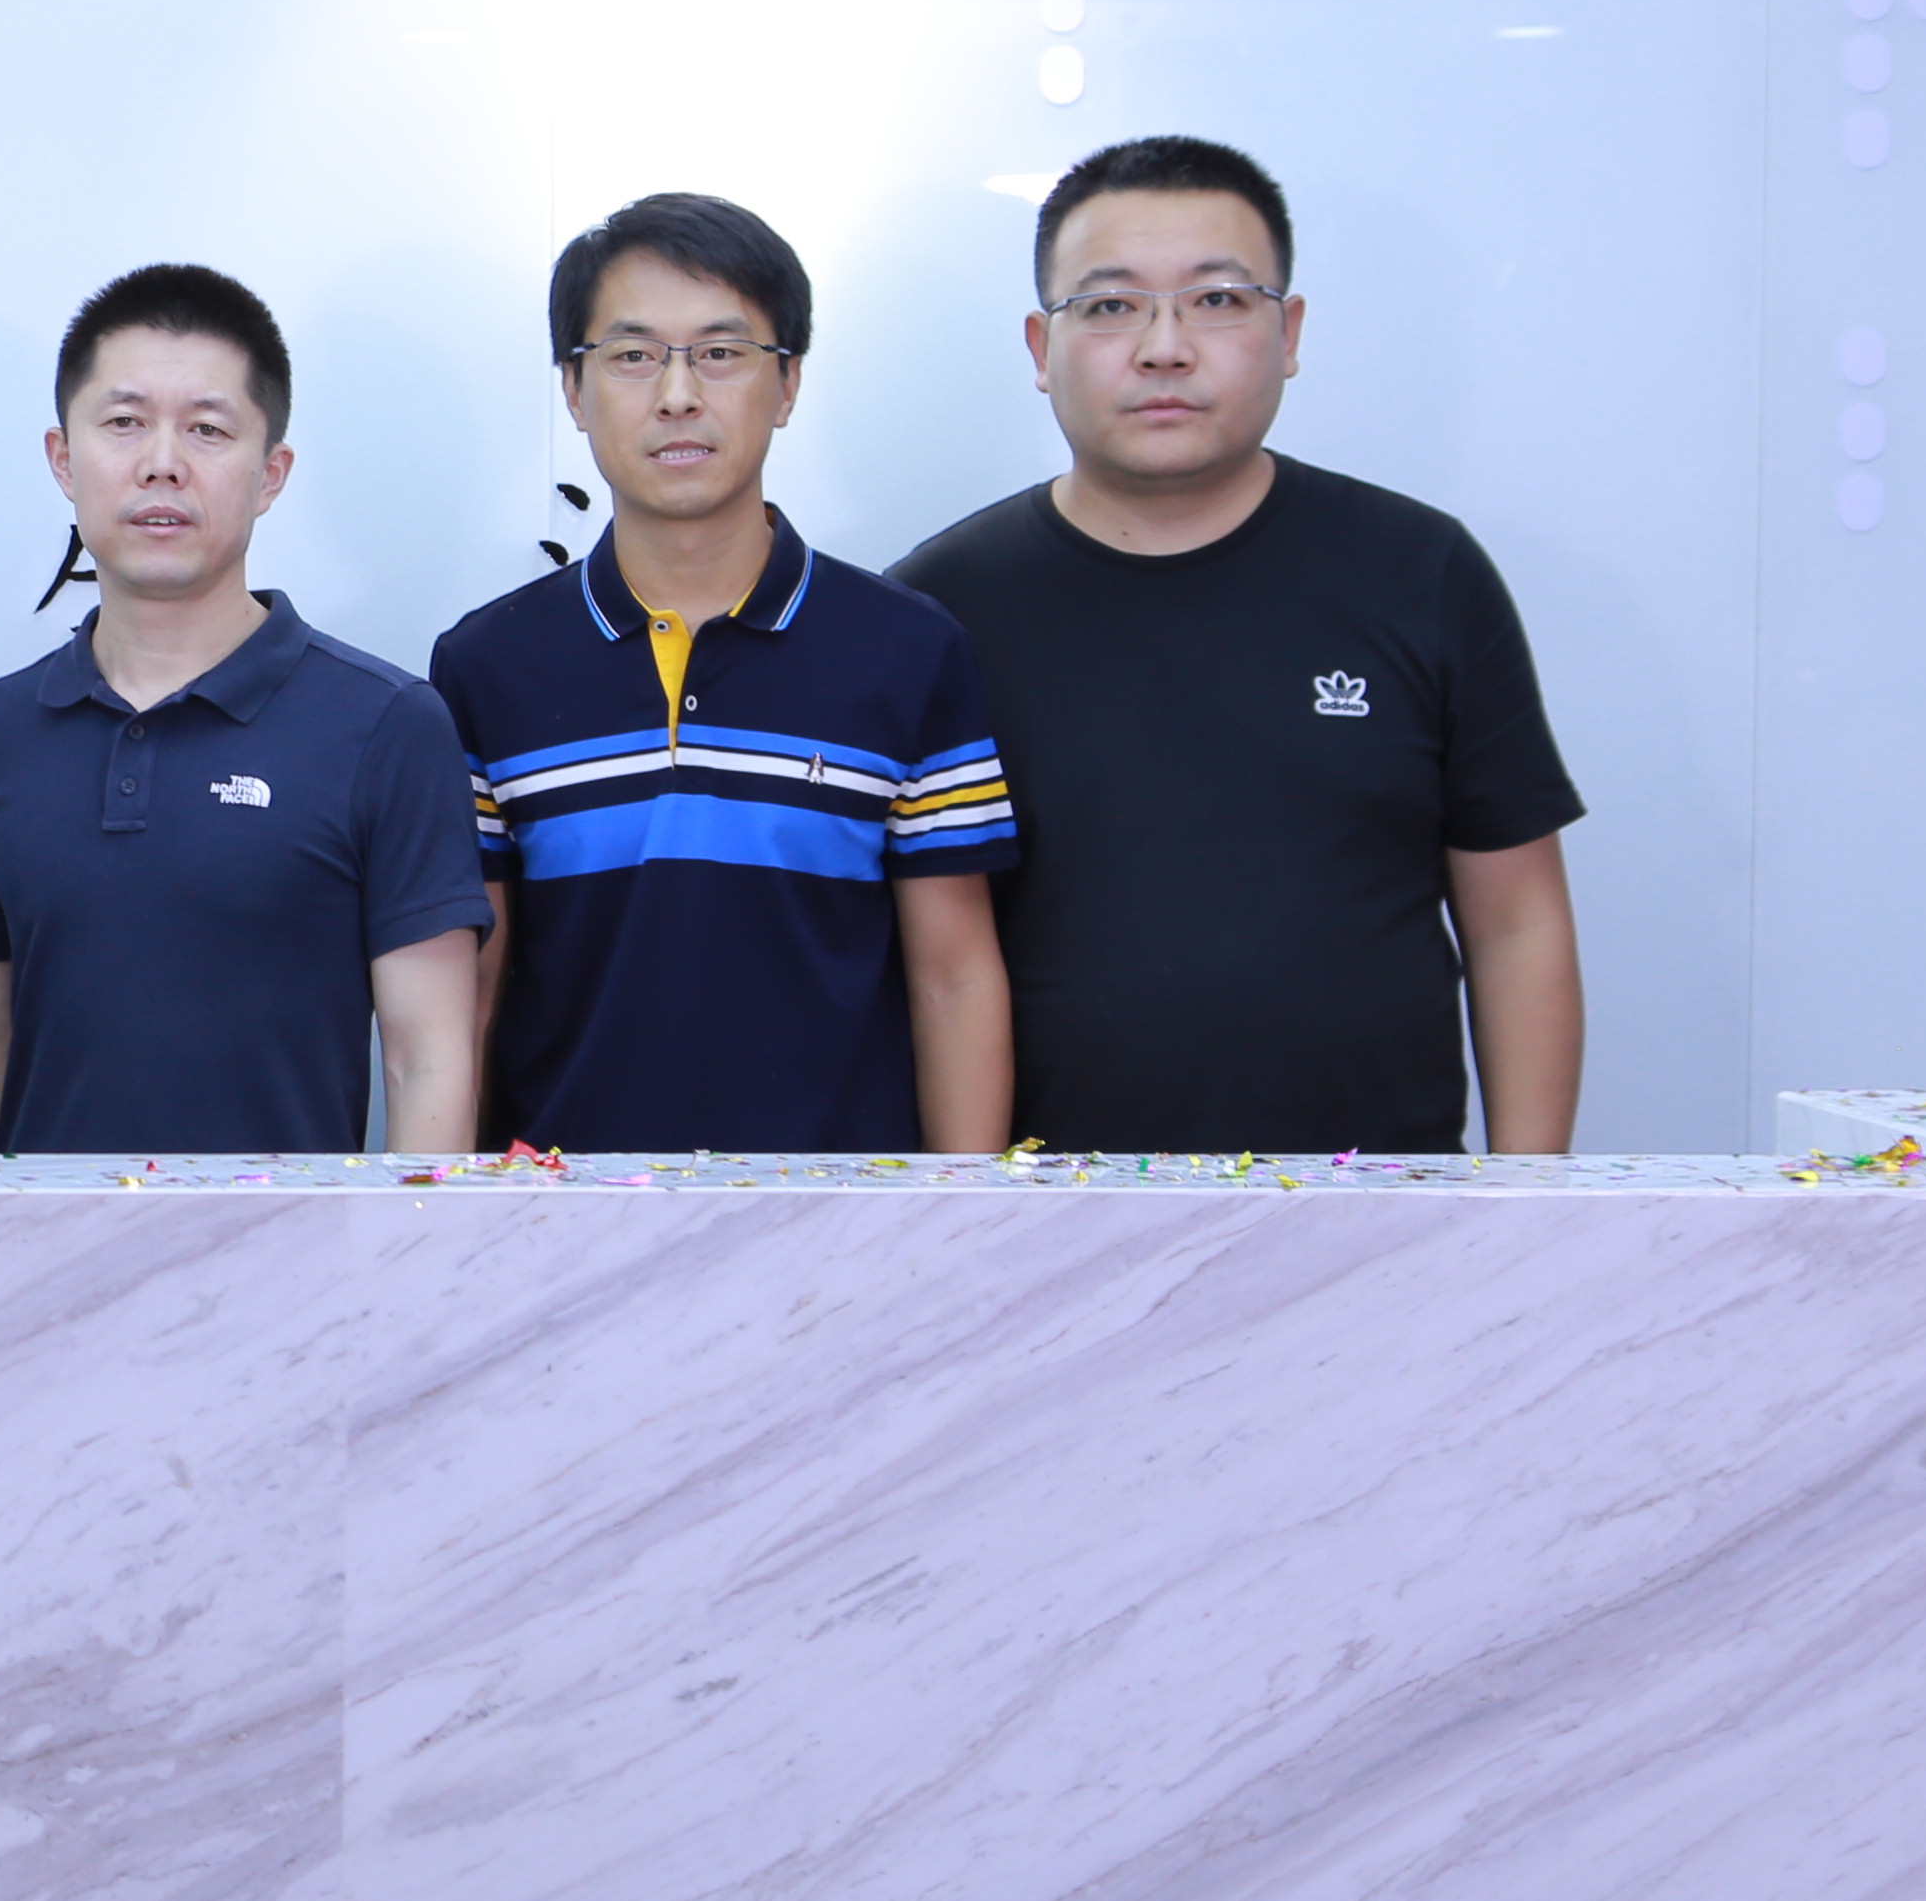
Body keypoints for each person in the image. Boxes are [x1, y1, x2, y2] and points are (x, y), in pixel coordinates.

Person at [895, 133, 1583, 1153]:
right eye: (1110, 306)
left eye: (1217, 299)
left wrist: (1528, 1203)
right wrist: (965, 1213)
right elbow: (933, 964)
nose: (1164, 347)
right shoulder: (938, 611)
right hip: (1052, 1212)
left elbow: (1516, 922)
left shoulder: (1420, 573)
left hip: (1381, 1211)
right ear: (1042, 349)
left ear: (1288, 332)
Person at [426, 194, 1014, 1153]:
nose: (677, 395)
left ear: (787, 385)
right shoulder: (487, 668)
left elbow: (953, 979)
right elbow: (471, 995)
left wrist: (961, 1212)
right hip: (565, 1212)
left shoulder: (907, 651)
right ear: (573, 389)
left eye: (722, 352)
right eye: (632, 355)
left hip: (842, 1217)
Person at [0, 268, 486, 1154]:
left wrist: (413, 1244)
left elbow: (429, 1063)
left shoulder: (387, 725)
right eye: (123, 422)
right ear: (63, 459)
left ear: (271, 474)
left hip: (295, 1244)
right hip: (37, 1245)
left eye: (208, 429)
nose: (162, 462)